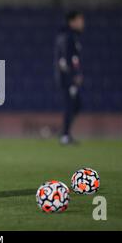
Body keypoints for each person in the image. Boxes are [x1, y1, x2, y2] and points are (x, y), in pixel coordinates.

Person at [54, 11, 84, 145]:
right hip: (67, 78)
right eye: (79, 20)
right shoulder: (68, 37)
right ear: (72, 22)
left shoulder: (72, 36)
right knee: (70, 105)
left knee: (76, 105)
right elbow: (64, 60)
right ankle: (65, 135)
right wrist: (73, 77)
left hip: (68, 77)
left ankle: (65, 132)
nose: (82, 23)